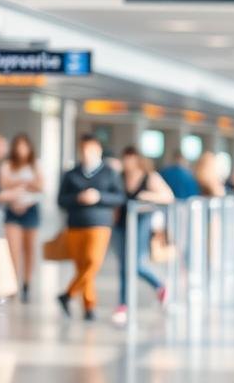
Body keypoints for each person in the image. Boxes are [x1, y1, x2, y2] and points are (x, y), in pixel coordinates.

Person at [57, 134, 126, 321]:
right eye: (84, 150)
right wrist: (77, 198)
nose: (87, 154)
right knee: (82, 267)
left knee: (93, 263)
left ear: (98, 151)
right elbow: (61, 200)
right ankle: (89, 307)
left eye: (91, 150)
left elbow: (119, 197)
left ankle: (68, 294)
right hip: (76, 224)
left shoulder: (109, 173)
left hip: (100, 224)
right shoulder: (71, 174)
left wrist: (99, 197)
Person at [110, 147, 174, 325]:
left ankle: (160, 286)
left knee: (135, 264)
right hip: (121, 225)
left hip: (141, 224)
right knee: (124, 265)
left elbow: (168, 196)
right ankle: (123, 305)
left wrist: (147, 195)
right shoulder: (120, 177)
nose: (127, 162)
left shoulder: (150, 177)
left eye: (131, 158)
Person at [0, 134, 44, 303]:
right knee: (13, 250)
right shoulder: (7, 164)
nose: (21, 150)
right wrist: (26, 183)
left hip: (31, 209)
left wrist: (17, 182)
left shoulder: (36, 164)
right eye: (18, 146)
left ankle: (27, 284)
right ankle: (13, 285)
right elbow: (3, 184)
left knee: (29, 249)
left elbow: (41, 186)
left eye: (24, 146)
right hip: (12, 209)